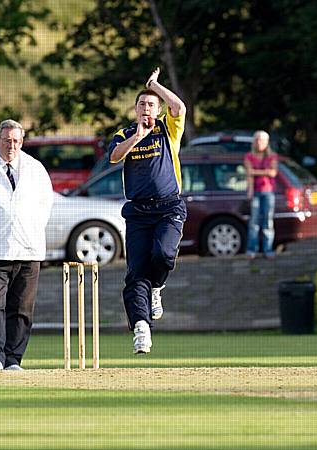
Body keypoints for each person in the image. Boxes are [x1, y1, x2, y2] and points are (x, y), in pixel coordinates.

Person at [109, 67, 187, 354]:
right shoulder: (124, 133)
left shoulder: (168, 128)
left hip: (169, 207)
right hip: (138, 211)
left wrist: (155, 84)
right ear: (135, 108)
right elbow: (115, 157)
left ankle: (157, 288)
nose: (146, 108)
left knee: (164, 254)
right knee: (135, 272)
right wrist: (137, 137)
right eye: (142, 104)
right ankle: (141, 328)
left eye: (151, 104)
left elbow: (179, 106)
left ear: (158, 109)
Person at [0, 119, 53, 370]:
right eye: (7, 140)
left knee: (21, 308)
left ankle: (13, 359)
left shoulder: (35, 168)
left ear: (22, 142)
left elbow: (45, 206)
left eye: (16, 141)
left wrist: (31, 231)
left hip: (28, 249)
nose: (11, 146)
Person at [244, 130, 278, 259]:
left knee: (267, 221)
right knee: (254, 221)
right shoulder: (249, 156)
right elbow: (249, 173)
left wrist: (255, 172)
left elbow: (273, 173)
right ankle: (252, 249)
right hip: (256, 192)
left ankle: (268, 249)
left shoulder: (272, 156)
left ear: (267, 142)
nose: (260, 143)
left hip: (268, 191)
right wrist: (250, 189)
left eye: (262, 140)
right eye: (257, 140)